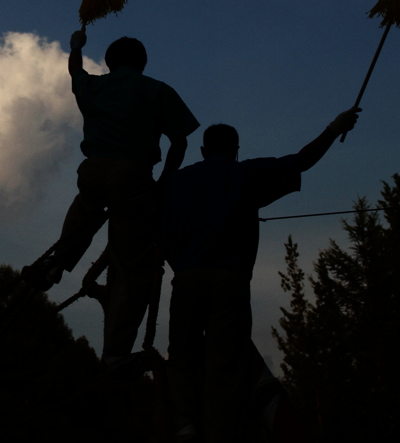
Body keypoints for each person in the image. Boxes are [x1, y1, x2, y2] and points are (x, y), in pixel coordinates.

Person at [162, 107, 361, 442]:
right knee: (225, 366)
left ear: (202, 151)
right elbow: (301, 160)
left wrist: (181, 267)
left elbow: (162, 234)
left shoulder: (177, 183)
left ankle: (185, 425)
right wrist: (334, 127)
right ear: (236, 150)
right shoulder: (246, 174)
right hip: (230, 280)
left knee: (181, 355)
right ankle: (218, 433)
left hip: (187, 276)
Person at [25, 28, 199, 369]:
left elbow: (74, 70)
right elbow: (180, 141)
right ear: (143, 63)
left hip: (93, 169)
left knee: (82, 213)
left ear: (109, 61)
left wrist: (76, 45)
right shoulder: (157, 90)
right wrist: (164, 182)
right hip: (134, 176)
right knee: (130, 268)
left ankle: (56, 264)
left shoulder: (95, 86)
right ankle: (115, 351)